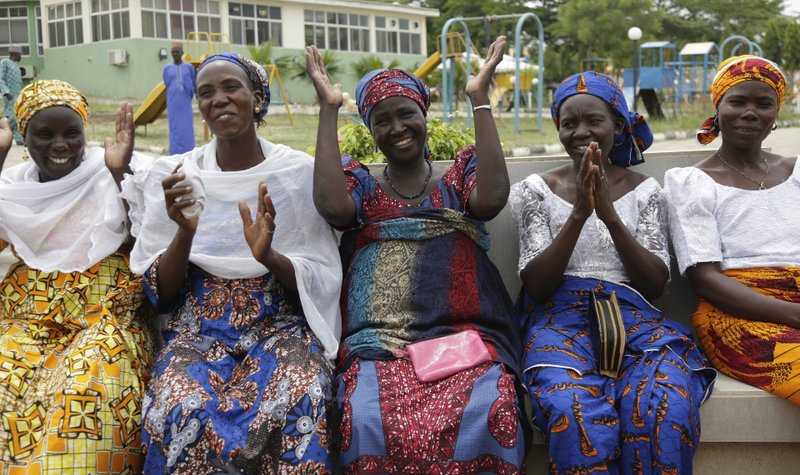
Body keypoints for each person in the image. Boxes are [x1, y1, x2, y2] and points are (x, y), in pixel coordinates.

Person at [307, 37, 527, 472]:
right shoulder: (361, 186)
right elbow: (332, 208)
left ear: (424, 114)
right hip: (380, 344)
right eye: (382, 120)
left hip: (462, 338)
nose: (397, 127)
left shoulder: (458, 178)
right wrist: (328, 109)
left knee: (493, 406)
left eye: (406, 113)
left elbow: (491, 200)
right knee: (363, 416)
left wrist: (479, 98)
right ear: (371, 131)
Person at [122, 52, 342, 473]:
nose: (218, 99)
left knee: (302, 391)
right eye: (206, 93)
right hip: (198, 330)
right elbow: (160, 294)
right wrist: (185, 232)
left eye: (230, 87)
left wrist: (267, 256)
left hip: (279, 325)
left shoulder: (295, 173)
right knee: (178, 403)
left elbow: (320, 276)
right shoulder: (179, 175)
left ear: (257, 99)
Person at [509, 71, 715, 474]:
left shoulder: (645, 191)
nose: (581, 132)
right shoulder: (536, 190)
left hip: (633, 319)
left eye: (594, 121)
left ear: (618, 126)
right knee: (573, 408)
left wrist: (609, 214)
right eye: (569, 123)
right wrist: (579, 214)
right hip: (558, 321)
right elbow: (537, 285)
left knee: (664, 403)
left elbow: (654, 285)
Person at [0, 80, 153, 473]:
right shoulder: (12, 188)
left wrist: (120, 174)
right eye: (44, 134)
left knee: (89, 386)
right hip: (26, 319)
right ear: (24, 136)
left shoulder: (109, 169)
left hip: (101, 317)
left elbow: (149, 240)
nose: (60, 145)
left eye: (71, 133)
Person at [664, 56, 800, 405]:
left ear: (776, 113)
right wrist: (794, 315)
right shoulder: (692, 183)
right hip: (738, 321)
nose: (750, 113)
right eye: (738, 101)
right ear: (718, 108)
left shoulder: (797, 172)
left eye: (763, 104)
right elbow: (705, 279)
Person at [163, 43, 196, 154]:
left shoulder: (189, 67)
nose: (175, 54)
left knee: (186, 126)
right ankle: (175, 151)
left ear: (182, 53)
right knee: (174, 127)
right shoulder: (167, 68)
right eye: (173, 52)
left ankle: (189, 150)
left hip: (185, 102)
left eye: (177, 51)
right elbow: (167, 83)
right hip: (173, 102)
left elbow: (193, 82)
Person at [0, 46, 23, 144]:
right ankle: (3, 133)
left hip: (17, 95)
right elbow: (0, 78)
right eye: (19, 55)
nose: (21, 57)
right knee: (11, 116)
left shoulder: (16, 66)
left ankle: (18, 138)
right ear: (14, 54)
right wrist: (6, 91)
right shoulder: (5, 62)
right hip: (9, 95)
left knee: (17, 115)